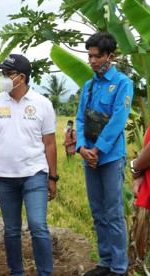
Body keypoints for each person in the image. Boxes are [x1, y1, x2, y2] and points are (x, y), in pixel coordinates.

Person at [0, 54, 58, 276]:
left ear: (21, 77)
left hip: (34, 174)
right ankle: (16, 272)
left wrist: (53, 178)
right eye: (2, 73)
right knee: (12, 230)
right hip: (4, 177)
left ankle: (45, 272)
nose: (2, 77)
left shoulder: (42, 104)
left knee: (38, 226)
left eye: (7, 73)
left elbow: (50, 144)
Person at [76, 32, 133, 276]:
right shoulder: (88, 86)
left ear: (110, 56)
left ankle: (119, 268)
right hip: (90, 158)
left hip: (109, 158)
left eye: (97, 56)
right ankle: (105, 261)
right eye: (89, 56)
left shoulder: (122, 83)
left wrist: (98, 149)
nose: (92, 61)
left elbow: (118, 120)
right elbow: (79, 119)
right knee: (98, 212)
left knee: (114, 213)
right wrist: (81, 148)